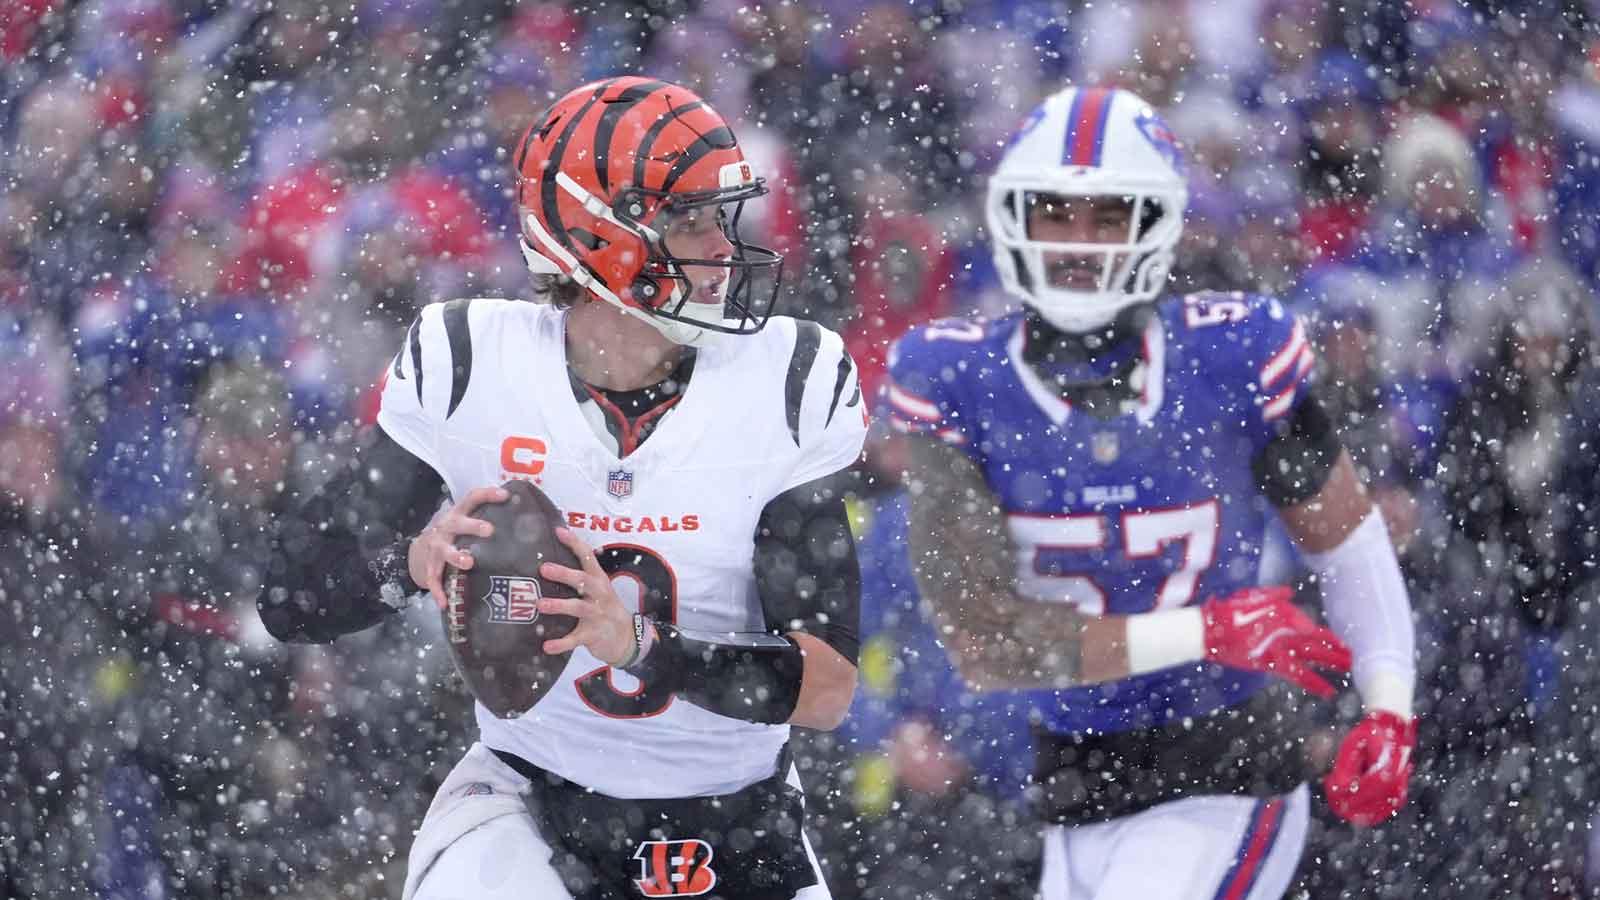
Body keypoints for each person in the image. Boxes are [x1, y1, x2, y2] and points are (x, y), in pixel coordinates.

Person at [257, 76, 866, 900]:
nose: (723, 247)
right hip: (529, 798)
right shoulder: (467, 364)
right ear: (599, 236)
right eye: (689, 220)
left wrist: (641, 646)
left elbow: (826, 690)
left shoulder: (789, 383)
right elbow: (289, 596)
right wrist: (409, 563)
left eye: (721, 218)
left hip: (737, 820)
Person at [886, 86, 1418, 899]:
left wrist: (1389, 702)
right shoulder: (957, 380)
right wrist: (1204, 630)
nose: (1080, 243)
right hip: (1075, 786)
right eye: (1056, 213)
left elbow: (1345, 538)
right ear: (1012, 214)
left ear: (1156, 223)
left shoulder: (1233, 355)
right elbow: (988, 643)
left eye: (1109, 217)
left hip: (1227, 771)